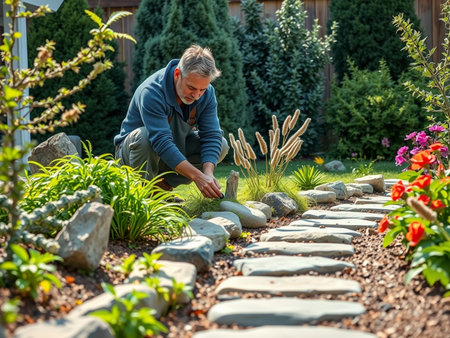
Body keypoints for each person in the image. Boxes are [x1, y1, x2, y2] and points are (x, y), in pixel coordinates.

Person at [114, 44, 229, 199]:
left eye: (202, 90)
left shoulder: (207, 94)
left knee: (220, 145)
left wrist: (207, 173)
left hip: (170, 150)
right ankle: (142, 200)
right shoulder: (152, 92)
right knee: (144, 137)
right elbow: (161, 142)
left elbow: (212, 135)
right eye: (191, 88)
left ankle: (161, 190)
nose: (196, 95)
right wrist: (197, 177)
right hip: (133, 155)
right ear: (177, 74)